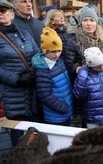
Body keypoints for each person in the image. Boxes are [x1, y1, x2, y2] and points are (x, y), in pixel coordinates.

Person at [0, 0, 41, 146]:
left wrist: (35, 73)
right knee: (18, 135)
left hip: (32, 91)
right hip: (12, 93)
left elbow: (38, 55)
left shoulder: (24, 34)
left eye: (4, 10)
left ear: (12, 14)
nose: (1, 13)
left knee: (35, 132)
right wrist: (16, 79)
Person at [65, 7, 103, 127]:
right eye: (86, 20)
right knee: (89, 121)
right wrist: (78, 68)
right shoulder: (73, 41)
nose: (89, 24)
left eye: (92, 20)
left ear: (96, 22)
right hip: (87, 86)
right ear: (81, 22)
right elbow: (69, 63)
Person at [32, 27, 73, 126]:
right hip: (55, 115)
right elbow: (45, 95)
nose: (57, 54)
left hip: (66, 109)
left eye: (59, 51)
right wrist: (62, 107)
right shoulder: (43, 70)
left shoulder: (60, 62)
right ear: (45, 51)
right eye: (53, 51)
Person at [73, 47, 103, 128]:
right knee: (93, 138)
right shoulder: (85, 76)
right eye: (97, 67)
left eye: (102, 65)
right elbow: (80, 95)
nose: (101, 68)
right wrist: (82, 74)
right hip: (92, 117)